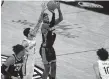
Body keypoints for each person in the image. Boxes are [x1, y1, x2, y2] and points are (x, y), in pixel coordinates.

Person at [22, 3, 47, 79]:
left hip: (32, 60)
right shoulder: (25, 42)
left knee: (30, 77)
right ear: (28, 33)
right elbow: (19, 53)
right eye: (31, 30)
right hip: (26, 61)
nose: (34, 30)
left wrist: (42, 11)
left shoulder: (33, 36)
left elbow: (39, 22)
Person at [40, 2, 63, 79]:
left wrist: (59, 9)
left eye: (47, 17)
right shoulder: (44, 26)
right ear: (42, 19)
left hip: (50, 48)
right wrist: (53, 14)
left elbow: (61, 19)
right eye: (45, 17)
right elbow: (51, 24)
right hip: (44, 49)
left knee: (54, 67)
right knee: (47, 69)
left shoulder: (51, 23)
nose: (46, 18)